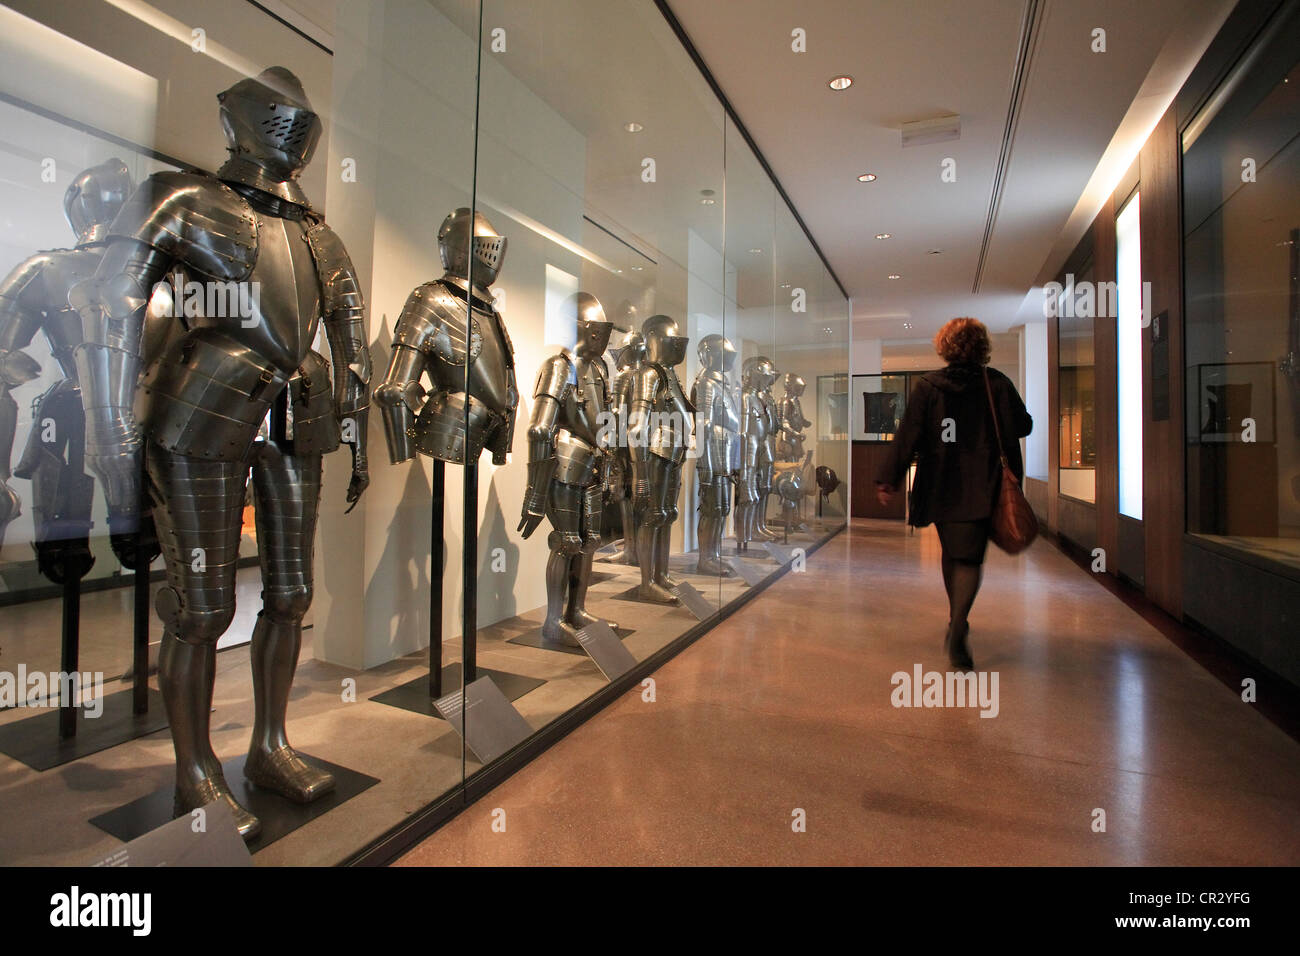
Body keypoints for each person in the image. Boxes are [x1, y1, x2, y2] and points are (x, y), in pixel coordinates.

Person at [875, 317, 1032, 670]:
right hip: (984, 483)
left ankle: (957, 621)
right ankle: (958, 624)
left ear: (945, 346)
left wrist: (889, 478)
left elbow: (908, 435)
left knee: (954, 552)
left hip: (942, 483)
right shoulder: (998, 385)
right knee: (969, 557)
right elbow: (1024, 425)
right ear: (982, 347)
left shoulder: (929, 387)